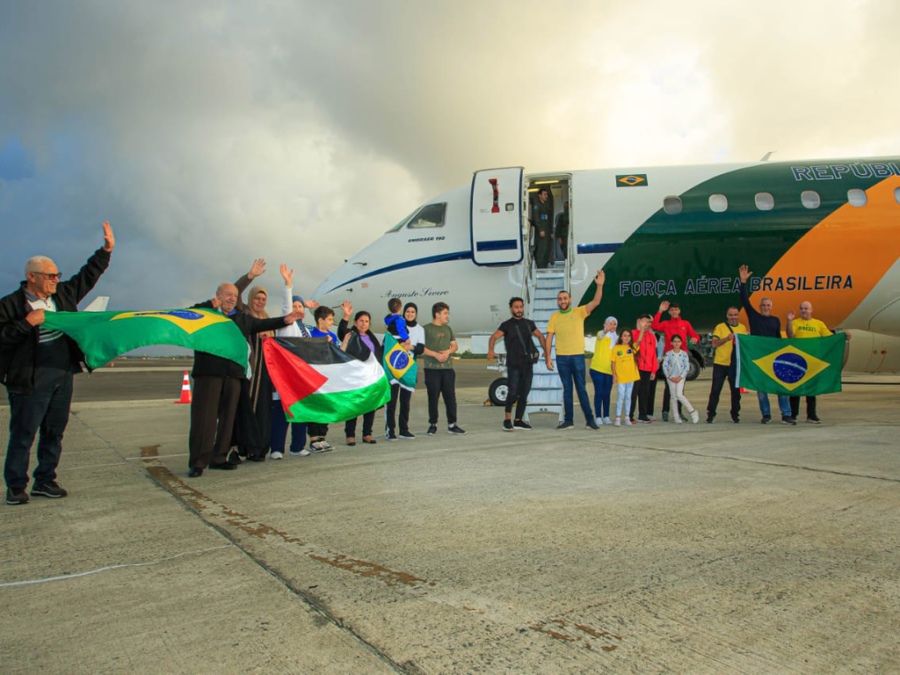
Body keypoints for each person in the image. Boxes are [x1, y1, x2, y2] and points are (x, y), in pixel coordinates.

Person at [1, 222, 115, 505]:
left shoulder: (63, 295)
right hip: (29, 378)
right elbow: (2, 338)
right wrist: (26, 323)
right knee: (24, 433)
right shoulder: (10, 305)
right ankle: (16, 486)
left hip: (61, 374)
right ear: (32, 277)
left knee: (54, 431)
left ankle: (45, 479)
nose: (55, 280)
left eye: (56, 275)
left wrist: (106, 251)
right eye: (49, 276)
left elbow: (87, 276)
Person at [188, 284, 302, 477]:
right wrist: (209, 304)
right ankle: (198, 462)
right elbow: (187, 314)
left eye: (234, 295)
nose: (232, 298)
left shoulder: (241, 318)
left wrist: (285, 319)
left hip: (233, 375)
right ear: (218, 295)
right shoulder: (206, 314)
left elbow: (263, 324)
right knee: (205, 419)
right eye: (228, 295)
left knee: (228, 418)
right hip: (209, 374)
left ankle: (219, 458)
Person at [546, 270, 605, 430]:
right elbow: (549, 338)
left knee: (581, 390)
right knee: (567, 390)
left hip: (578, 357)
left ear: (569, 300)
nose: (562, 301)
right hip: (562, 358)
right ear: (558, 302)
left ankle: (590, 420)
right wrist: (548, 357)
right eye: (560, 299)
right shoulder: (554, 317)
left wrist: (599, 286)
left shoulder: (579, 312)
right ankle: (568, 421)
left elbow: (596, 302)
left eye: (565, 298)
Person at [269, 264, 317, 460]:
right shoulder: (286, 326)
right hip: (284, 379)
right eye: (293, 307)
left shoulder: (305, 330)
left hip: (300, 379)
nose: (295, 309)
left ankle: (298, 446)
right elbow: (286, 308)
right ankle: (277, 448)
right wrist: (288, 285)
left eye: (299, 307)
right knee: (281, 416)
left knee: (300, 415)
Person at [739, 265, 795, 425]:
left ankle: (786, 414)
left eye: (768, 305)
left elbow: (777, 338)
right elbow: (744, 300)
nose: (765, 308)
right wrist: (743, 282)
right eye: (763, 305)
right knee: (762, 390)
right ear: (760, 307)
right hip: (759, 359)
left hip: (774, 359)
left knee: (781, 388)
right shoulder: (754, 317)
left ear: (771, 307)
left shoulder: (776, 320)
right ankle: (766, 415)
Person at [487, 297, 547, 431]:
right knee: (513, 392)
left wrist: (546, 352)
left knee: (524, 393)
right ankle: (507, 419)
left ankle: (518, 420)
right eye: (516, 307)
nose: (519, 310)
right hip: (513, 365)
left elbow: (541, 337)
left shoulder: (529, 324)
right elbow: (494, 337)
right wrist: (491, 350)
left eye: (520, 307)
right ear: (511, 309)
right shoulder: (506, 325)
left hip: (527, 365)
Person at [785, 301, 849, 423]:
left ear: (811, 310)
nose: (803, 310)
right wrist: (789, 320)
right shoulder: (795, 323)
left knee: (811, 390)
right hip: (797, 361)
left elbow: (830, 338)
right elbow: (790, 334)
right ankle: (793, 415)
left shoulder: (818, 324)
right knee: (795, 389)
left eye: (806, 308)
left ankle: (811, 415)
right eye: (801, 308)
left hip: (812, 362)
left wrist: (843, 338)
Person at [340, 306, 383, 445]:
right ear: (355, 322)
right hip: (355, 376)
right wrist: (346, 316)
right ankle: (350, 435)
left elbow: (378, 355)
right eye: (361, 321)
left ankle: (367, 433)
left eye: (366, 321)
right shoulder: (351, 335)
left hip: (370, 377)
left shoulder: (372, 337)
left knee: (370, 406)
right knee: (354, 406)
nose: (364, 323)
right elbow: (341, 332)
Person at [652, 300, 700, 422]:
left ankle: (679, 412)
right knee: (668, 387)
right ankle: (665, 411)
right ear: (669, 312)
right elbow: (655, 326)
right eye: (672, 310)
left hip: (682, 357)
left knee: (680, 388)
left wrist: (695, 338)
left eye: (676, 309)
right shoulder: (666, 324)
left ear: (679, 311)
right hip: (670, 357)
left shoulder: (685, 324)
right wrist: (659, 311)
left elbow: (695, 335)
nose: (674, 311)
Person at [422, 302, 465, 435]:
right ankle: (433, 424)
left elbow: (454, 346)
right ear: (437, 314)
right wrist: (435, 354)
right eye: (445, 313)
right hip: (431, 369)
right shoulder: (426, 329)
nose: (448, 316)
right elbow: (420, 348)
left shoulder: (448, 329)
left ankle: (452, 425)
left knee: (450, 398)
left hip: (447, 369)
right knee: (433, 398)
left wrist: (447, 352)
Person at [384, 301, 423, 441]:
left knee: (405, 402)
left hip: (408, 369)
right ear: (402, 311)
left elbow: (421, 349)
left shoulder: (419, 329)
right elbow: (386, 345)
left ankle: (404, 429)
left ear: (416, 313)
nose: (410, 314)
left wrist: (409, 346)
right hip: (395, 367)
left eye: (413, 312)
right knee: (392, 401)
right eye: (408, 311)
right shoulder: (397, 324)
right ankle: (390, 430)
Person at [706, 306, 747, 424]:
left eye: (735, 315)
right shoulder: (720, 327)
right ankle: (711, 414)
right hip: (720, 363)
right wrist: (726, 339)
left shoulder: (742, 328)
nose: (733, 317)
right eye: (731, 315)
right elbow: (714, 344)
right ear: (727, 316)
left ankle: (735, 415)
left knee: (736, 392)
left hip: (735, 364)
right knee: (715, 390)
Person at [308, 305, 340, 451]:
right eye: (329, 320)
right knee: (315, 406)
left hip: (328, 377)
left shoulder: (332, 336)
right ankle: (313, 438)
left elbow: (338, 354)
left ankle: (322, 437)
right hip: (313, 377)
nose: (331, 323)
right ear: (320, 320)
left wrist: (331, 344)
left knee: (326, 407)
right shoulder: (310, 334)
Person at [662, 335, 700, 424]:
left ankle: (692, 411)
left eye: (678, 341)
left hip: (680, 378)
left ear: (681, 343)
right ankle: (676, 416)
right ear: (671, 343)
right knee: (673, 397)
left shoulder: (684, 354)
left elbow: (687, 366)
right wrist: (669, 376)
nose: (676, 343)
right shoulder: (668, 354)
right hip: (671, 378)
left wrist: (681, 377)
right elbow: (665, 366)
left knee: (679, 395)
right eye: (674, 341)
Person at [588, 317, 618, 425]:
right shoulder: (601, 334)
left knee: (607, 394)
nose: (612, 326)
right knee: (599, 393)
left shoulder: (616, 339)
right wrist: (606, 330)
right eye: (610, 323)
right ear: (605, 324)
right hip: (597, 369)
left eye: (614, 324)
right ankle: (598, 416)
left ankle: (606, 415)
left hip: (609, 371)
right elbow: (601, 335)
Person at [631, 314, 659, 423]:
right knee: (634, 393)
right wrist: (641, 330)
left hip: (647, 369)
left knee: (644, 393)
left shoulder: (652, 336)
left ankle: (642, 415)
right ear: (639, 321)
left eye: (648, 322)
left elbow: (654, 355)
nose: (647, 324)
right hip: (636, 368)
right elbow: (634, 346)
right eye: (645, 321)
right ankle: (630, 415)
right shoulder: (634, 333)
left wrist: (653, 370)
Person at [611, 328, 640, 427]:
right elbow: (613, 362)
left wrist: (643, 329)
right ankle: (618, 417)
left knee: (628, 397)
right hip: (621, 377)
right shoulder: (616, 348)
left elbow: (639, 340)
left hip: (631, 376)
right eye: (624, 335)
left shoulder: (632, 347)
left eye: (629, 336)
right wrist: (614, 374)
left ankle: (627, 417)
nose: (627, 338)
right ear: (621, 337)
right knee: (620, 396)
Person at [531, 188, 553, 269]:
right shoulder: (537, 205)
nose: (546, 196)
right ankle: (540, 268)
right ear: (539, 195)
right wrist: (540, 229)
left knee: (547, 250)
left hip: (547, 232)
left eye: (547, 195)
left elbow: (548, 220)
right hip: (541, 233)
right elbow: (536, 218)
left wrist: (551, 232)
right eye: (544, 194)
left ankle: (545, 267)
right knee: (541, 250)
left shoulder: (546, 205)